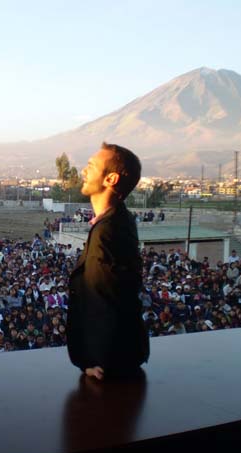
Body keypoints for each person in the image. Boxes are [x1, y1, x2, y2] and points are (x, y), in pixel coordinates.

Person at [67, 142, 149, 381]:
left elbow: (105, 297)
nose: (84, 171)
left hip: (109, 368)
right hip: (119, 360)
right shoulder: (117, 220)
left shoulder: (109, 231)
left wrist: (97, 361)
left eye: (91, 166)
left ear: (110, 179)